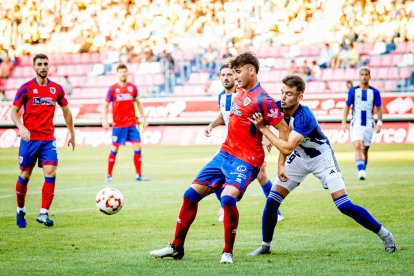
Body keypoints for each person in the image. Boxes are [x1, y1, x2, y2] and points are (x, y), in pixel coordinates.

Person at [150, 52, 289, 264]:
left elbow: (285, 131)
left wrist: (278, 158)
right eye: (232, 72)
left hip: (246, 160)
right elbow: (228, 115)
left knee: (227, 198)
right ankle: (176, 247)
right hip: (224, 154)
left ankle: (227, 252)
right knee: (189, 195)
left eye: (238, 71)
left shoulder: (264, 100)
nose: (234, 76)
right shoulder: (238, 91)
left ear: (251, 71)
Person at [247, 75, 396, 256]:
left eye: (289, 94)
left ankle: (385, 235)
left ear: (300, 96)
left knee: (344, 205)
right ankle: (265, 245)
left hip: (321, 158)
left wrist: (264, 129)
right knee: (272, 202)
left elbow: (286, 145)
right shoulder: (277, 108)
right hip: (298, 158)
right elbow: (283, 137)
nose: (283, 97)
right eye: (282, 93)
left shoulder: (305, 116)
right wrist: (280, 164)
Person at [205, 63, 284, 222]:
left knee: (262, 176)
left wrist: (267, 136)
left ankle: (275, 211)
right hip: (230, 145)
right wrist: (211, 126)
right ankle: (225, 207)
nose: (227, 78)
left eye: (230, 74)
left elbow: (262, 112)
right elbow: (223, 115)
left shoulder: (243, 94)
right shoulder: (221, 96)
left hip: (249, 143)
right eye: (223, 75)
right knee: (215, 176)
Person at [10, 53, 75, 228]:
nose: (43, 67)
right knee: (25, 175)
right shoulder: (26, 88)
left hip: (48, 140)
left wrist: (72, 132)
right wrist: (22, 128)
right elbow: (13, 112)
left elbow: (66, 111)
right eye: (40, 64)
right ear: (34, 67)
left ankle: (43, 213)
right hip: (29, 140)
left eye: (46, 64)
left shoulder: (56, 89)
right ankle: (20, 209)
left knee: (51, 172)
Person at [102, 64, 149, 182]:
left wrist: (144, 118)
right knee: (115, 149)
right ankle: (109, 175)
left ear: (127, 73)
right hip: (118, 125)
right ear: (117, 74)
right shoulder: (112, 89)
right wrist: (105, 119)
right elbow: (106, 105)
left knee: (138, 146)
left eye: (125, 71)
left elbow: (138, 103)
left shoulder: (133, 88)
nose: (123, 74)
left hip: (132, 123)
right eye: (121, 72)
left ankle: (139, 175)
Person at [341, 67, 382, 180]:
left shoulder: (374, 92)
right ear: (359, 76)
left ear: (369, 76)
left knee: (365, 149)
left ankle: (363, 167)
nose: (364, 77)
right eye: (362, 74)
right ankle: (361, 171)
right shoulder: (353, 91)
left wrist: (379, 122)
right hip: (356, 123)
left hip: (369, 124)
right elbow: (347, 107)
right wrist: (344, 122)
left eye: (366, 74)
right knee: (358, 145)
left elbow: (379, 109)